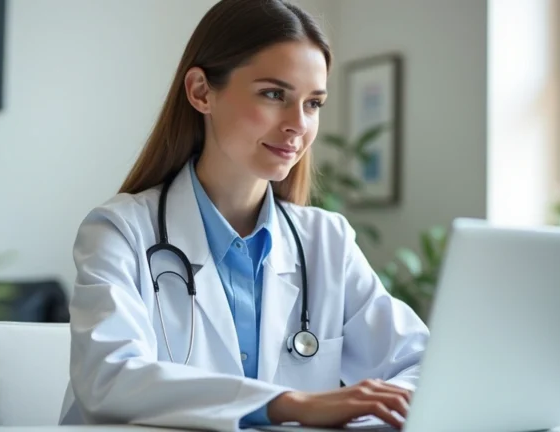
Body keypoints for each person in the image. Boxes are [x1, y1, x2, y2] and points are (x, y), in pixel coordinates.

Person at [58, 0, 429, 430]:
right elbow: (110, 379)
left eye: (313, 104)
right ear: (201, 92)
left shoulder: (327, 242)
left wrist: (359, 416)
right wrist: (290, 405)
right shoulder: (120, 231)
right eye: (274, 95)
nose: (298, 124)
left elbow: (423, 367)